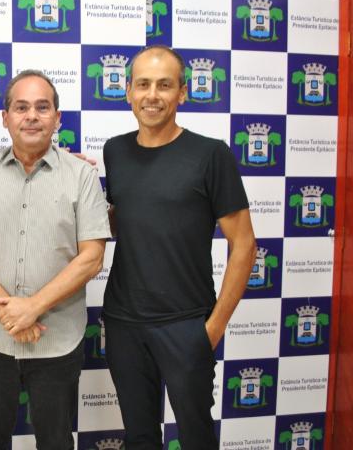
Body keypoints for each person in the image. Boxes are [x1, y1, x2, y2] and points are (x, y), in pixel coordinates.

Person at [102, 45, 256, 449]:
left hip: (186, 322)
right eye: (143, 84)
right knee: (139, 436)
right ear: (128, 92)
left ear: (182, 93)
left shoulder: (210, 154)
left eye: (164, 85)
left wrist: (213, 327)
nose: (152, 95)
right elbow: (125, 222)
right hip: (124, 321)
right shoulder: (114, 151)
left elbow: (244, 244)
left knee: (196, 436)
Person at [0, 70, 111, 450]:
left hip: (57, 340)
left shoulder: (82, 177)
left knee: (55, 441)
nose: (32, 116)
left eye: (43, 107)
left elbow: (92, 257)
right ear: (5, 118)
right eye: (21, 107)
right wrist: (11, 313)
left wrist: (32, 308)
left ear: (57, 118)